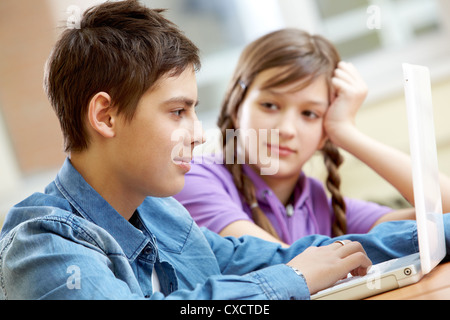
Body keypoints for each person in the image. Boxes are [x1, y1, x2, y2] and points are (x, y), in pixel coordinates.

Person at [0, 0, 446, 300]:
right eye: (178, 113)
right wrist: (290, 281)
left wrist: (438, 230)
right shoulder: (42, 243)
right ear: (105, 116)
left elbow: (285, 257)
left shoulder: (161, 213)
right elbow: (289, 272)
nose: (198, 135)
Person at [174, 29, 450, 247]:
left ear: (323, 133)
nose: (287, 129)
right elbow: (288, 264)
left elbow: (444, 214)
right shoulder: (196, 178)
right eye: (270, 105)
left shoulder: (317, 202)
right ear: (236, 107)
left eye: (309, 114)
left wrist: (346, 133)